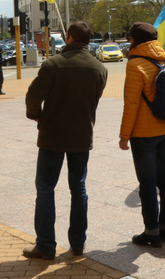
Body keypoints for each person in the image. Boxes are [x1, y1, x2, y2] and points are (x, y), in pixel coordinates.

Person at [23, 22, 108, 260]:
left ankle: (46, 246)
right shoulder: (99, 68)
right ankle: (78, 245)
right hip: (82, 135)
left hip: (52, 135)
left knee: (46, 188)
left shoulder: (53, 64)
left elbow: (33, 96)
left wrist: (36, 115)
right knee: (78, 188)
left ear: (69, 38)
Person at [119, 22, 165, 248]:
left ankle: (151, 232)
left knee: (147, 182)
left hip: (144, 134)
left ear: (135, 40)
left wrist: (125, 135)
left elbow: (131, 103)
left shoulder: (135, 64)